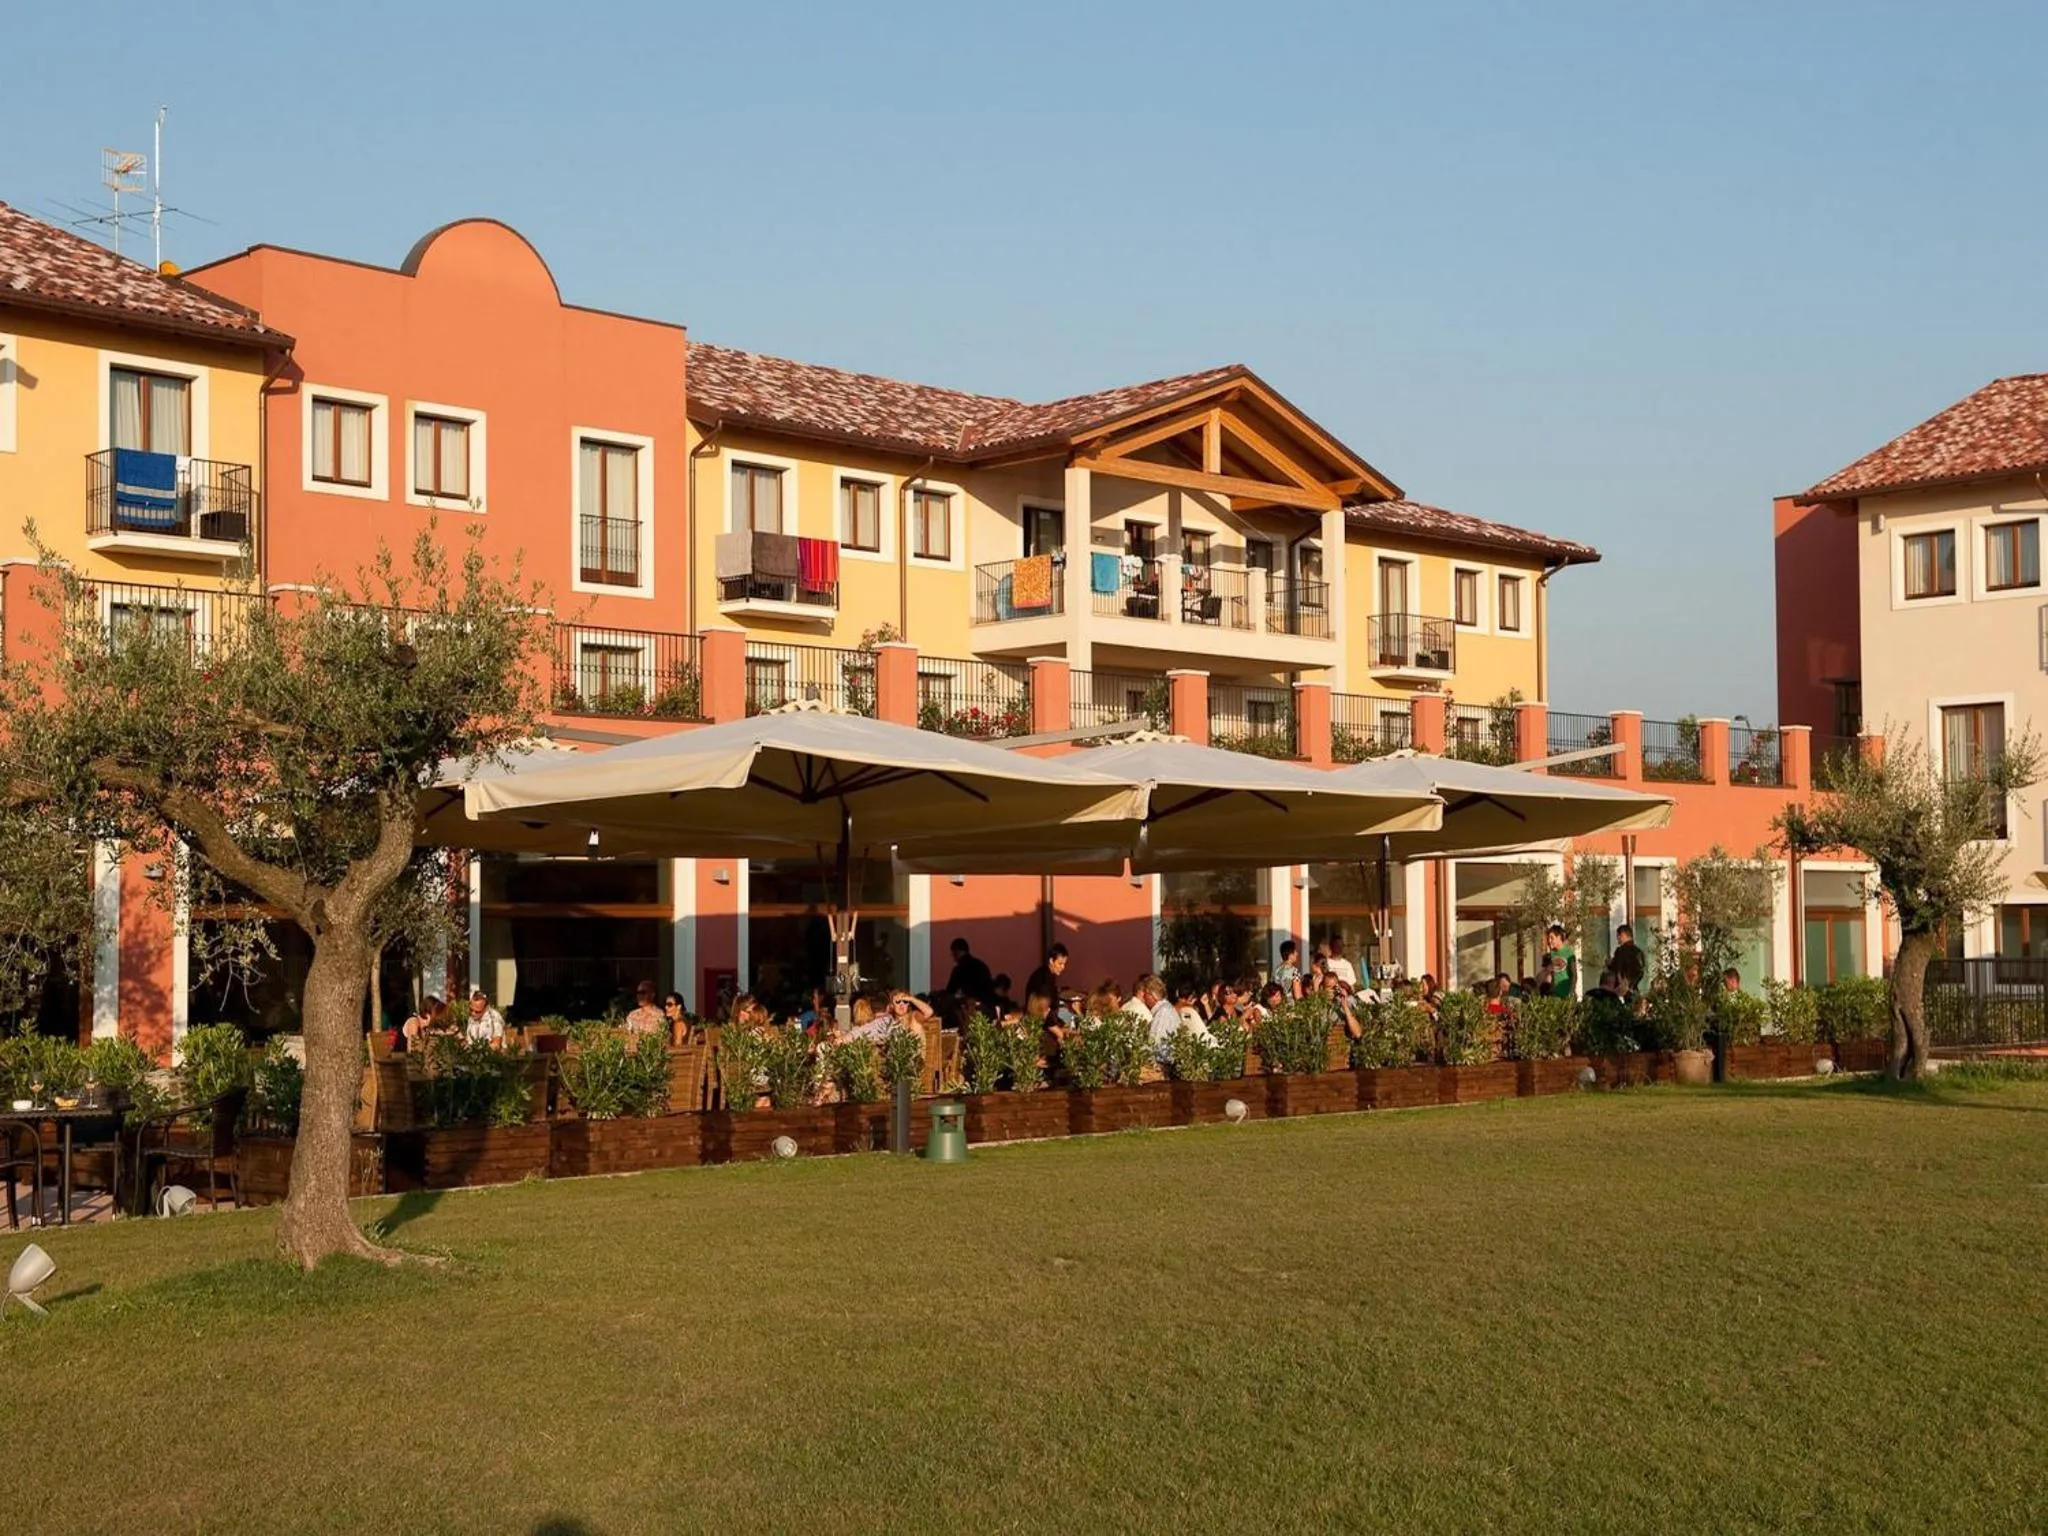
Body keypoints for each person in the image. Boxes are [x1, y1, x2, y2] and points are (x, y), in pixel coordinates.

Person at [944, 937, 997, 1016]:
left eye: (953, 954)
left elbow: (951, 990)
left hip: (973, 1009)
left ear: (957, 952)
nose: (953, 958)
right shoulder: (981, 965)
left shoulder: (960, 968)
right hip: (988, 1007)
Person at [1024, 942, 1071, 1012]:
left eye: (1064, 964)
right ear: (1051, 960)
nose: (1063, 967)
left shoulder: (1048, 974)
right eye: (1060, 963)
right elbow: (1045, 1003)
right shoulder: (1043, 976)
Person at [1610, 923, 1647, 997]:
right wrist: (1631, 984)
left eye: (1618, 936)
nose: (1618, 939)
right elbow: (1640, 971)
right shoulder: (1639, 952)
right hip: (1633, 990)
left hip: (1621, 991)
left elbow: (1616, 969)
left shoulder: (1621, 951)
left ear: (1623, 935)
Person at [1543, 923, 1577, 999]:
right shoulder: (1553, 953)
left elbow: (1574, 974)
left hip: (1566, 994)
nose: (1549, 941)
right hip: (1555, 995)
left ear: (1558, 937)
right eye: (1549, 938)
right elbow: (1553, 973)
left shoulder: (1569, 952)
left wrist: (1572, 991)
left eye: (1552, 938)